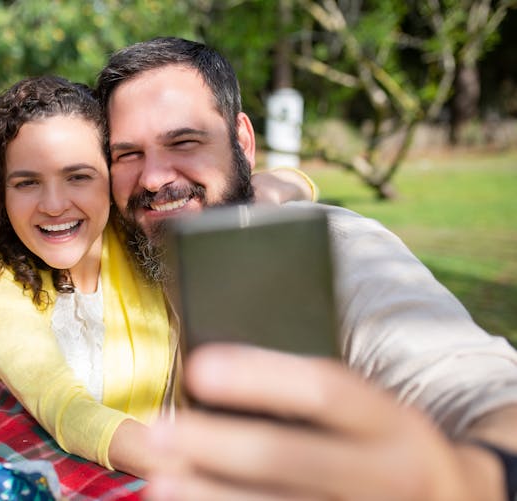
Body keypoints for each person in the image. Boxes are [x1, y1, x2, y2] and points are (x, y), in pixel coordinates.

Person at [96, 37, 517, 500]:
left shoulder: (336, 252)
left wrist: (470, 479)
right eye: (128, 154)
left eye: (184, 141)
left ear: (242, 142)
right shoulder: (127, 259)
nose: (153, 178)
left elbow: (481, 387)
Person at [0, 75, 314, 477]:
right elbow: (60, 402)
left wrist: (262, 197)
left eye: (78, 176)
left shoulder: (139, 235)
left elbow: (293, 181)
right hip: (34, 468)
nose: (55, 205)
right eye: (27, 183)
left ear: (111, 177)